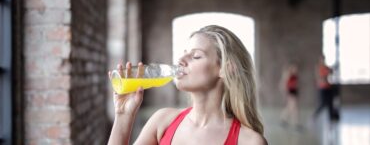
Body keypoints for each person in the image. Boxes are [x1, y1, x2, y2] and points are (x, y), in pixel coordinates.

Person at [107, 25, 267, 145]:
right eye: (185, 52)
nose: (181, 59)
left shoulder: (250, 141)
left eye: (196, 56)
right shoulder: (162, 121)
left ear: (226, 69)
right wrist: (123, 116)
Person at [279, 64, 301, 130]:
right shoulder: (288, 75)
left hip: (294, 93)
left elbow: (296, 85)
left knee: (290, 108)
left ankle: (283, 119)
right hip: (290, 93)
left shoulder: (296, 76)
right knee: (294, 109)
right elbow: (283, 84)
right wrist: (285, 94)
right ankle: (296, 123)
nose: (296, 70)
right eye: (295, 68)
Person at [313, 56, 335, 120]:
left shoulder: (326, 67)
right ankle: (315, 115)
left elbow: (331, 72)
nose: (323, 61)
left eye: (324, 60)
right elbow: (320, 77)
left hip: (328, 87)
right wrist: (325, 75)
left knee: (330, 103)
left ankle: (331, 118)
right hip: (322, 87)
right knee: (322, 103)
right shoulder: (319, 68)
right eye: (322, 60)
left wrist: (330, 70)